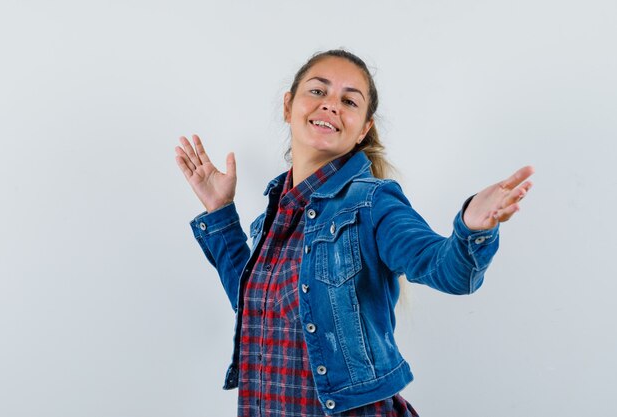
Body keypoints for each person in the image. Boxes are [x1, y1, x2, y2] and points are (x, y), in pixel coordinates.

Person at [174, 49, 534, 417]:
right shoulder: (272, 215)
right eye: (318, 91)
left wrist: (472, 229)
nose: (331, 105)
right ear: (288, 106)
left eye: (348, 100)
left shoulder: (374, 203)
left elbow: (448, 269)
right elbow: (255, 311)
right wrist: (219, 213)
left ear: (363, 129)